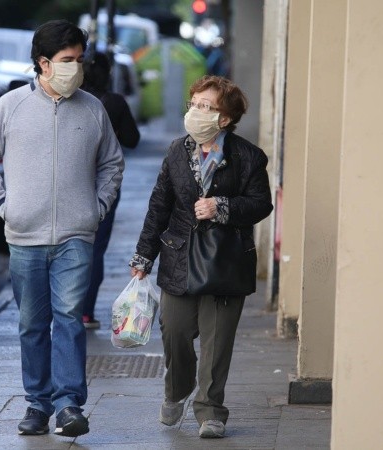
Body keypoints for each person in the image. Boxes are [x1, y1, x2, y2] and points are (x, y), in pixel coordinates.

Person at [0, 20, 124, 438]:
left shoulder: (93, 109)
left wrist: (98, 206)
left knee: (70, 318)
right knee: (31, 324)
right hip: (24, 237)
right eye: (66, 60)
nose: (76, 67)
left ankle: (69, 404)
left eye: (79, 59)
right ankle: (37, 404)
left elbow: (112, 163)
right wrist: (3, 205)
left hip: (77, 234)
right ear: (43, 63)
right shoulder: (10, 106)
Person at [128, 75, 273, 439]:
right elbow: (159, 205)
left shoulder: (248, 157)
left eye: (206, 106)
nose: (196, 111)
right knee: (174, 331)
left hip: (227, 261)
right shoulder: (178, 151)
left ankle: (210, 410)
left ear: (224, 118)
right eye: (194, 103)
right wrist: (143, 257)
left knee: (216, 341)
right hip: (179, 255)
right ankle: (176, 390)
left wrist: (221, 206)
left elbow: (260, 204)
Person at [80, 52, 140, 329]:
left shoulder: (71, 101)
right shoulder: (113, 103)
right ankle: (85, 311)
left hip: (72, 182)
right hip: (104, 184)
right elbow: (133, 139)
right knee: (96, 249)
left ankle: (65, 309)